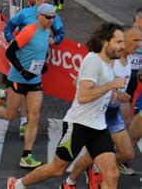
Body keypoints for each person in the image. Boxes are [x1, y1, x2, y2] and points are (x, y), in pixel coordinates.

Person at [7, 22, 126, 189]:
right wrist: (111, 85)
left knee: (112, 174)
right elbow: (84, 97)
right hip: (78, 125)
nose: (123, 46)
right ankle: (18, 184)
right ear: (106, 42)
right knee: (56, 169)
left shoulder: (107, 64)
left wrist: (115, 95)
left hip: (98, 127)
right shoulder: (93, 61)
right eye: (119, 42)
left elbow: (96, 90)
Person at [61, 26, 140, 188]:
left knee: (127, 153)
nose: (138, 45)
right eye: (135, 40)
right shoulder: (107, 58)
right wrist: (112, 90)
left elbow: (120, 89)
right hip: (97, 115)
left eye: (140, 41)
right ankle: (71, 180)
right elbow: (80, 83)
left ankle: (95, 168)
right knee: (69, 164)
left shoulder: (128, 61)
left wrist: (120, 96)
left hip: (113, 113)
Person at [0, 3, 57, 169]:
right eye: (47, 17)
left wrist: (43, 64)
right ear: (39, 16)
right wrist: (23, 72)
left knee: (34, 116)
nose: (51, 20)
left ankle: (27, 155)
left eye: (53, 17)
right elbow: (10, 52)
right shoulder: (29, 31)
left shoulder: (47, 32)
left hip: (34, 81)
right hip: (18, 79)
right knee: (11, 116)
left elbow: (43, 51)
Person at [2, 0, 65, 137]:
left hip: (38, 59)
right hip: (21, 56)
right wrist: (12, 41)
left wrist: (53, 40)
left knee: (32, 101)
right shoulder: (24, 13)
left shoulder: (52, 14)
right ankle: (14, 109)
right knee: (14, 107)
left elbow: (60, 34)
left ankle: (25, 125)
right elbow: (8, 28)